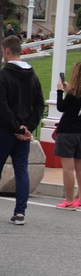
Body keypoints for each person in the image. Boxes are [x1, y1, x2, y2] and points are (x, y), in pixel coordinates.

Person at [0, 36, 44, 225]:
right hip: (23, 132)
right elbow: (39, 104)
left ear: (7, 51)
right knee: (21, 170)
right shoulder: (33, 76)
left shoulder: (2, 75)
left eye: (2, 51)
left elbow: (3, 105)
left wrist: (15, 127)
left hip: (4, 129)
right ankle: (20, 212)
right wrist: (28, 128)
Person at [54, 63, 81, 209]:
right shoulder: (75, 93)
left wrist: (60, 91)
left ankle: (69, 200)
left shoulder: (73, 94)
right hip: (80, 132)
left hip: (67, 132)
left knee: (68, 169)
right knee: (79, 168)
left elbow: (61, 107)